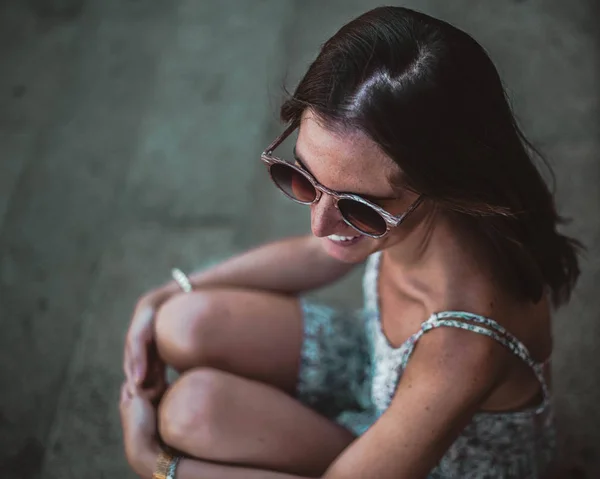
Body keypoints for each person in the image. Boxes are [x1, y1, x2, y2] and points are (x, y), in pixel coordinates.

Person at [119, 6, 582, 479]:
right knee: (180, 320)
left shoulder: (463, 343)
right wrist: (167, 293)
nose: (319, 224)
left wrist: (157, 465)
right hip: (379, 366)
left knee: (188, 414)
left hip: (438, 464)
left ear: (446, 187)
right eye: (301, 177)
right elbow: (318, 252)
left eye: (360, 207)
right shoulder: (429, 210)